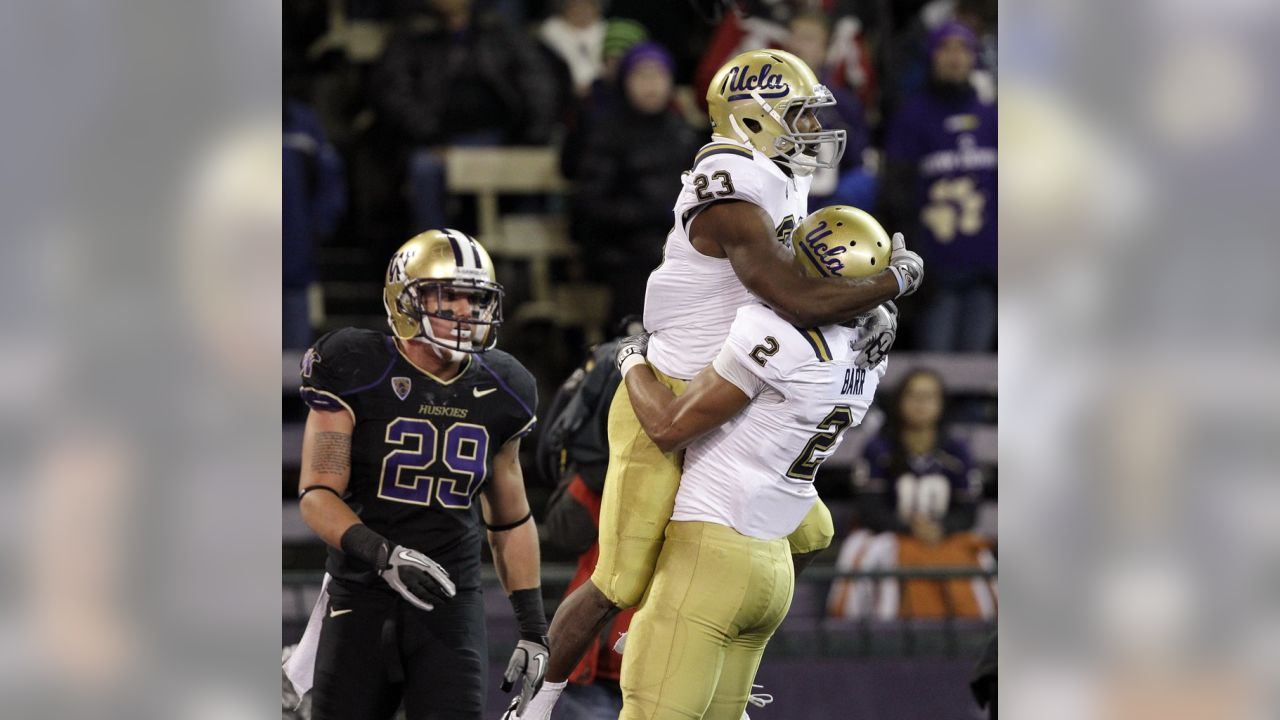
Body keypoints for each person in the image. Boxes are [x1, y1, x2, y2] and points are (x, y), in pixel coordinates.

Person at [511, 48, 925, 719]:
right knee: (620, 577)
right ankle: (537, 701)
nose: (810, 127)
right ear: (751, 119)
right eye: (796, 114)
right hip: (666, 396)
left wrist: (871, 304)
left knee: (811, 531)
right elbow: (791, 290)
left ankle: (716, 654)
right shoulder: (729, 187)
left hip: (735, 395)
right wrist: (890, 285)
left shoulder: (777, 177)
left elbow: (818, 280)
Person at [611, 207, 895, 718]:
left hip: (712, 550)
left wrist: (631, 358)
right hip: (772, 572)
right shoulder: (870, 351)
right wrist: (883, 302)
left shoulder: (775, 334)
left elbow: (668, 428)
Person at [286, 230, 549, 719]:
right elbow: (317, 494)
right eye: (448, 294)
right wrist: (383, 554)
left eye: (475, 298)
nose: (465, 310)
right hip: (360, 594)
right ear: (404, 297)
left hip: (451, 603)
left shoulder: (506, 386)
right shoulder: (356, 364)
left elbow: (510, 520)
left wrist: (533, 627)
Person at [372, 0, 556, 232]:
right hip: (436, 142)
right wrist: (431, 136)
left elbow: (536, 81)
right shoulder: (412, 34)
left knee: (533, 167)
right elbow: (394, 92)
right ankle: (437, 256)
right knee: (424, 169)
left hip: (498, 137)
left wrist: (527, 137)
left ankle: (512, 260)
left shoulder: (498, 30)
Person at [827, 368, 995, 620]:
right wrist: (907, 527)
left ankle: (978, 630)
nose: (921, 405)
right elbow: (869, 508)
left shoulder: (957, 451)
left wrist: (941, 528)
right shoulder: (879, 448)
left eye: (929, 397)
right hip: (889, 535)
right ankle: (875, 629)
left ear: (941, 404)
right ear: (899, 401)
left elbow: (967, 511)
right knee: (870, 550)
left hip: (942, 534)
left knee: (977, 554)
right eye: (913, 396)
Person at [881, 20, 997, 352]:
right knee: (935, 367)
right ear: (932, 56)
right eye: (946, 49)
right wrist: (916, 261)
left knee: (977, 373)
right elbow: (896, 195)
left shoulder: (992, 117)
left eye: (963, 49)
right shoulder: (911, 117)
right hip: (936, 273)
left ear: (974, 57)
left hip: (986, 271)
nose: (955, 57)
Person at [571, 42, 701, 327]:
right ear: (625, 81)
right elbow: (590, 203)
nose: (651, 84)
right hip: (623, 249)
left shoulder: (682, 132)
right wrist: (646, 214)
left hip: (677, 243)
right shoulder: (607, 132)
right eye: (641, 76)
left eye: (658, 75)